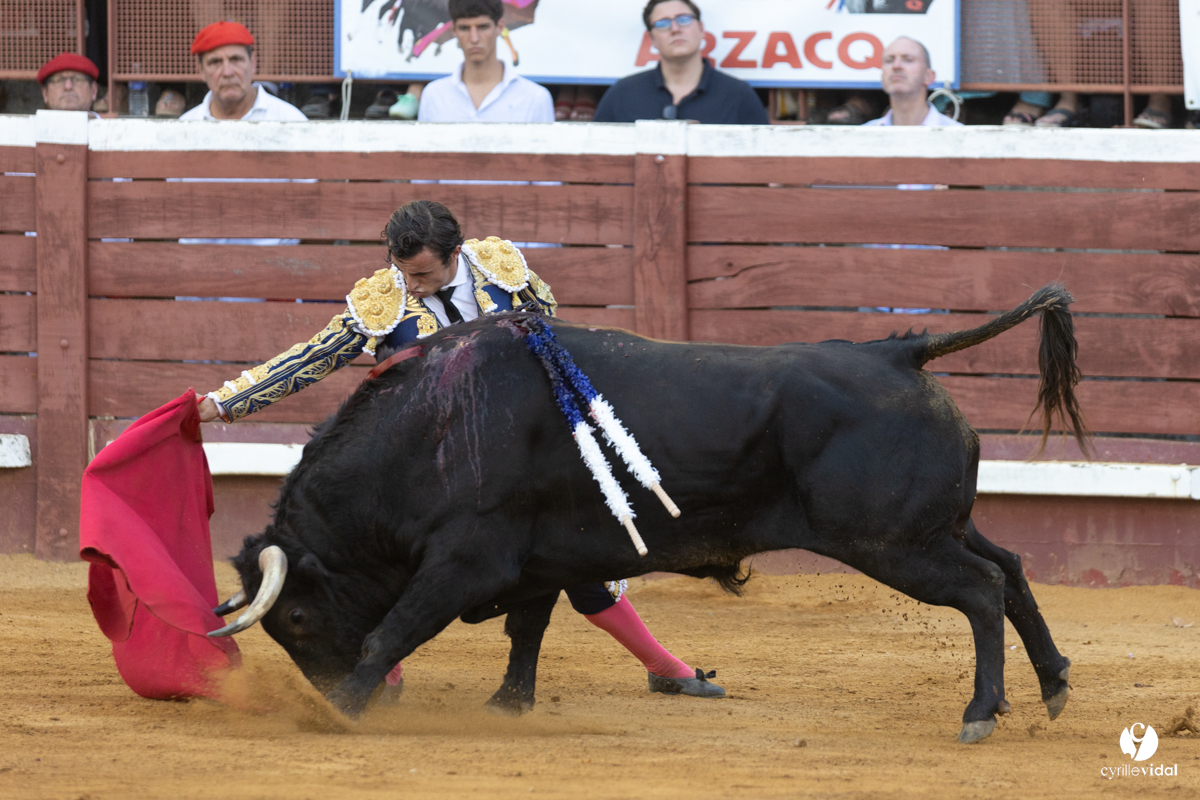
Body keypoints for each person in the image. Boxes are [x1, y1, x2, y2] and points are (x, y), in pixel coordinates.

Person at [195, 200, 726, 700]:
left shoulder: (502, 272)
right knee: (383, 561)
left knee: (575, 555)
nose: (413, 285)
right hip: (429, 468)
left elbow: (556, 338)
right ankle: (381, 666)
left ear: (455, 254)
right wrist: (223, 403)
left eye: (423, 274)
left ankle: (661, 667)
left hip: (519, 454)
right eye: (405, 272)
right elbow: (309, 358)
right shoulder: (384, 300)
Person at [593, 0, 767, 124]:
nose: (675, 29)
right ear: (651, 39)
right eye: (662, 23)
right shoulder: (622, 94)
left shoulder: (738, 95)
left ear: (701, 29)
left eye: (683, 19)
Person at [417, 0, 553, 122]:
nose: (474, 38)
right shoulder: (434, 95)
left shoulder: (535, 98)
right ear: (454, 30)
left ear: (499, 27)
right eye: (465, 28)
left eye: (483, 27)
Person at [179, 21, 305, 121]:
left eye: (236, 60)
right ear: (201, 70)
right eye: (215, 62)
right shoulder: (186, 126)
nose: (227, 72)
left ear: (253, 63)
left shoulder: (289, 120)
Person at [863, 37, 963, 127]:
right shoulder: (862, 135)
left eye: (908, 60)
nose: (896, 66)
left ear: (928, 76)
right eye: (889, 60)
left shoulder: (958, 134)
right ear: (882, 76)